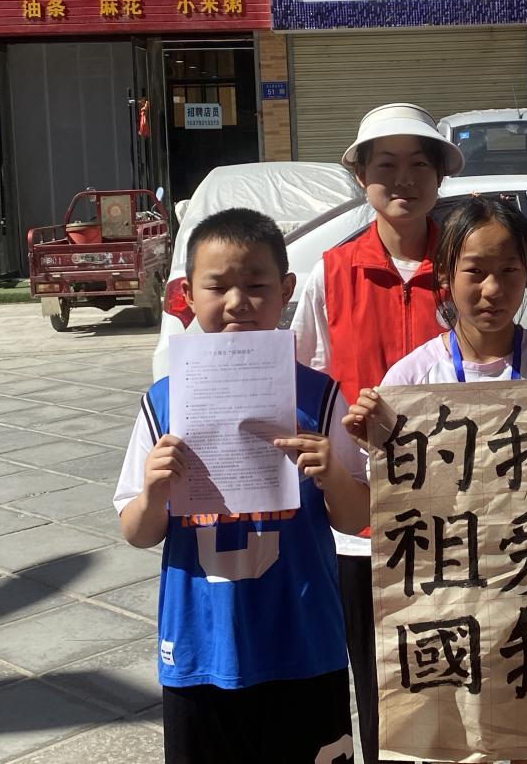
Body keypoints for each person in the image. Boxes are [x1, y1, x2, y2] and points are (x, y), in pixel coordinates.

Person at [343, 196, 527, 764]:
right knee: (448, 743)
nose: (492, 289)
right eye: (475, 271)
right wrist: (369, 436)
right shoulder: (411, 379)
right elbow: (386, 505)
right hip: (447, 600)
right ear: (445, 277)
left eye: (509, 271)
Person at [113, 208, 369, 763]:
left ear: (286, 290)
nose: (237, 302)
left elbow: (355, 518)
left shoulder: (320, 396)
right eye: (217, 286)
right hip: (201, 647)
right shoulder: (163, 401)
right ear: (187, 294)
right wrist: (154, 492)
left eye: (256, 286)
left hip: (304, 641)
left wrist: (332, 474)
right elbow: (136, 531)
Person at [290, 102, 463, 764]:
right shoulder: (331, 273)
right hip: (360, 527)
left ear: (440, 176)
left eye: (419, 164)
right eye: (385, 165)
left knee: (456, 688)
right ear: (361, 176)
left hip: (458, 519)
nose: (403, 179)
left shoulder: (464, 268)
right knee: (377, 689)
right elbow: (304, 385)